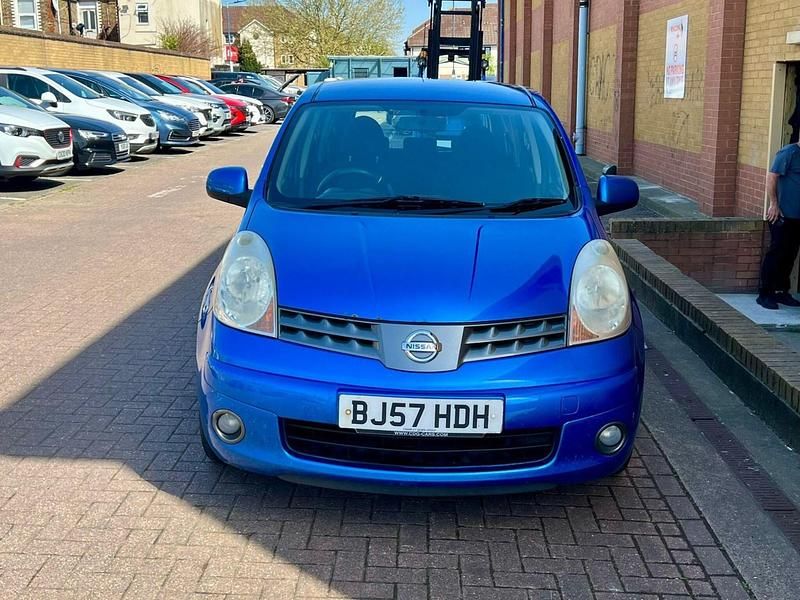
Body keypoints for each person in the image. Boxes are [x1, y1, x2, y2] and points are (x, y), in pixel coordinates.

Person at [757, 141, 800, 310]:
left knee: (790, 255)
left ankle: (782, 292)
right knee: (777, 254)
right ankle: (765, 294)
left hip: (798, 218)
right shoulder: (789, 152)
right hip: (782, 215)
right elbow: (772, 176)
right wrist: (774, 204)